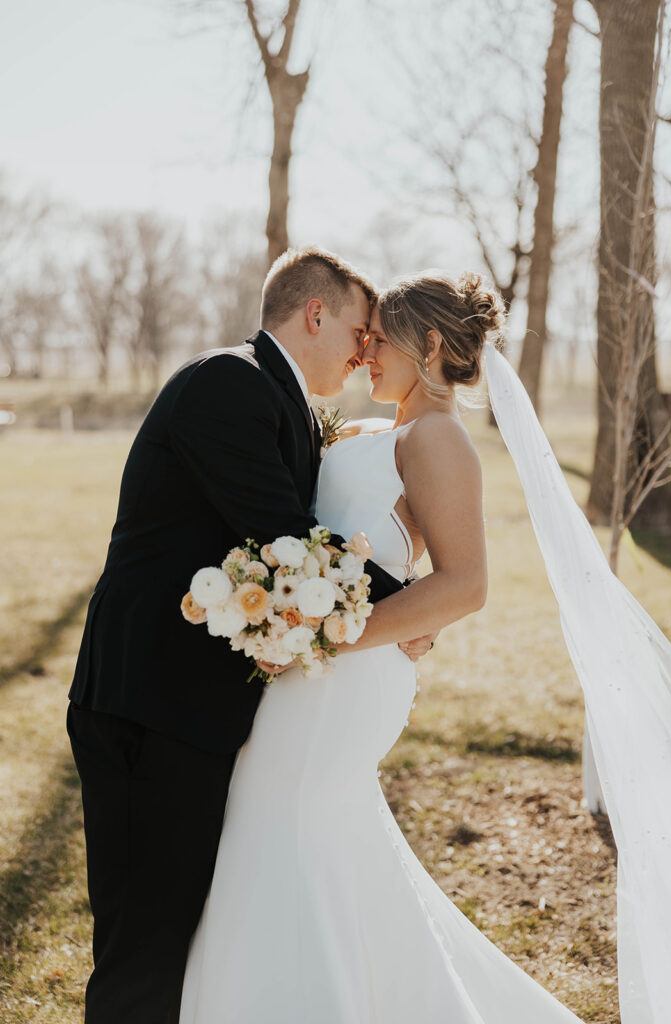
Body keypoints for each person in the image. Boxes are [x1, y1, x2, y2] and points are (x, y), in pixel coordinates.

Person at [178, 270, 587, 1023]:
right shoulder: (372, 430)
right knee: (291, 831)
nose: (363, 352)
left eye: (379, 338)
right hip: (308, 668)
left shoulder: (437, 440)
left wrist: (324, 637)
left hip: (343, 676)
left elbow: (464, 584)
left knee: (284, 821)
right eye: (361, 337)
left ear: (429, 344)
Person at [66, 246, 436, 1024]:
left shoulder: (286, 401)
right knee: (143, 950)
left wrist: (406, 606)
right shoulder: (228, 383)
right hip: (148, 703)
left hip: (193, 713)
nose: (366, 350)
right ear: (314, 314)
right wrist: (413, 607)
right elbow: (287, 540)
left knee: (177, 938)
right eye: (360, 331)